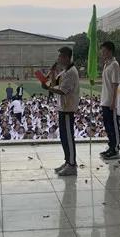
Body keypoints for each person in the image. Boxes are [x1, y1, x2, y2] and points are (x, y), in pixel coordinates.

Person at [42, 47, 80, 176]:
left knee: (68, 137)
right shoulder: (64, 71)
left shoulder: (71, 72)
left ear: (67, 57)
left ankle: (72, 165)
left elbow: (62, 91)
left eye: (61, 56)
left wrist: (48, 88)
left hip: (68, 109)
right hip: (62, 108)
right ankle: (68, 161)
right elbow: (54, 84)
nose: (58, 59)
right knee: (64, 137)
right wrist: (52, 72)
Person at [99, 41, 120, 160]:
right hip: (105, 99)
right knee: (108, 126)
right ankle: (111, 146)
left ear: (110, 51)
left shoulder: (114, 65)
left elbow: (115, 84)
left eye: (104, 51)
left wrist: (113, 101)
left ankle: (116, 149)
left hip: (111, 101)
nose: (102, 53)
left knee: (113, 126)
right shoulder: (106, 65)